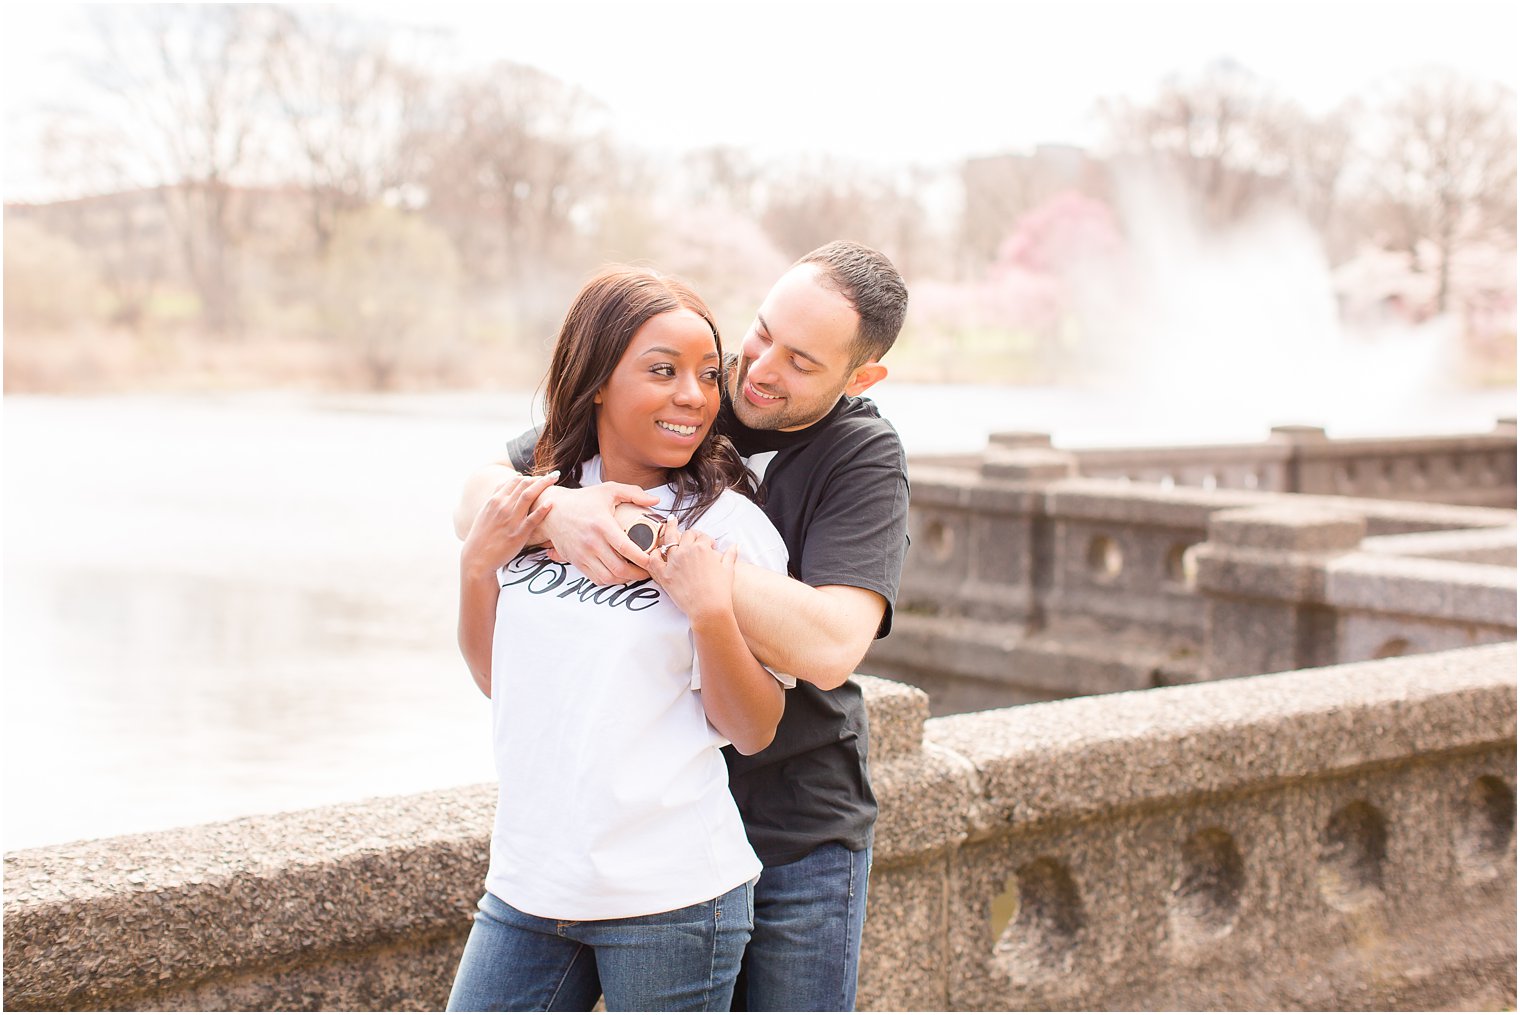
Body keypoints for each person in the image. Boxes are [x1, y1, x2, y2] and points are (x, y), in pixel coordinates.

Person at [455, 241, 911, 1012]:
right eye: (761, 332)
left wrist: (664, 545)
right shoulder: (693, 382)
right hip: (606, 836)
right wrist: (559, 510)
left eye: (802, 362)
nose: (758, 370)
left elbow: (831, 648)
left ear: (858, 378)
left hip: (791, 818)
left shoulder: (859, 454)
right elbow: (482, 495)